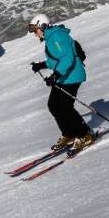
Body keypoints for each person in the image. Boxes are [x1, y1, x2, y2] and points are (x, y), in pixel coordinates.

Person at [28, 14, 95, 154]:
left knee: (65, 107)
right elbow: (56, 60)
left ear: (43, 26)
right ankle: (69, 133)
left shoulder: (56, 36)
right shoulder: (51, 38)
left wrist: (56, 75)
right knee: (53, 105)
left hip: (72, 76)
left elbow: (67, 58)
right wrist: (41, 65)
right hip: (64, 77)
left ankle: (85, 135)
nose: (35, 34)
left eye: (35, 30)